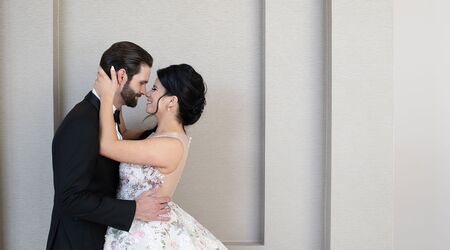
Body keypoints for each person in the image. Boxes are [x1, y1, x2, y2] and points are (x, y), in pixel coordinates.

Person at [47, 41, 171, 250]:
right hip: (77, 243)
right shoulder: (82, 122)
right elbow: (68, 198)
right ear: (121, 76)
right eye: (142, 82)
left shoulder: (110, 117)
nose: (144, 91)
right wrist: (133, 210)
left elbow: (122, 144)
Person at [96, 64, 227, 249]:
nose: (148, 93)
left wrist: (106, 97)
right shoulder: (159, 135)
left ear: (172, 101)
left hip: (145, 235)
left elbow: (107, 146)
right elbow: (122, 133)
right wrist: (120, 93)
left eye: (155, 89)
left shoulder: (170, 146)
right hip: (131, 224)